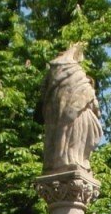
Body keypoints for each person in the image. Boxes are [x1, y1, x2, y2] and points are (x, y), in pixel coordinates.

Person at [40, 41, 103, 171]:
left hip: (58, 120)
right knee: (72, 140)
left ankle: (63, 159)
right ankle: (70, 159)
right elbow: (88, 95)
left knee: (66, 139)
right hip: (76, 118)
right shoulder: (77, 72)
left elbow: (44, 96)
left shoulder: (53, 74)